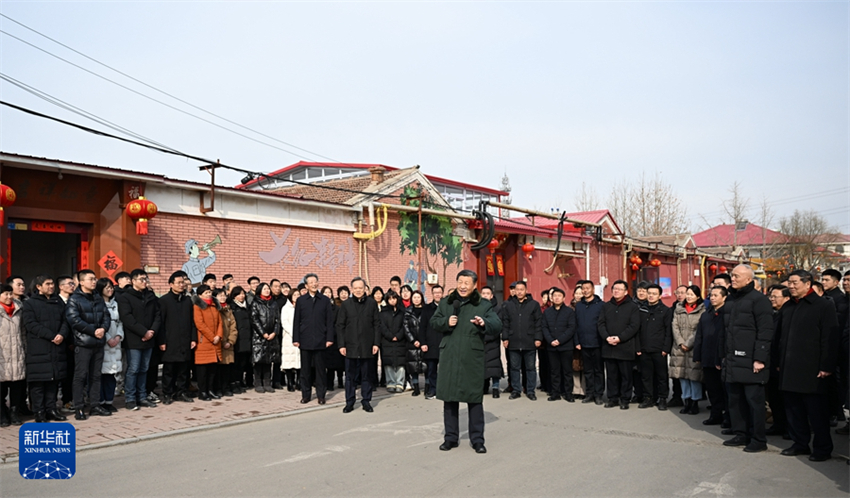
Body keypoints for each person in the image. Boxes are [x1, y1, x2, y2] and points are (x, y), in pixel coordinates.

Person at [431, 269, 502, 454]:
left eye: (466, 283)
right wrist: (446, 321)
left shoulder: (483, 305)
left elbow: (497, 325)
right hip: (450, 357)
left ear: (474, 285)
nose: (462, 286)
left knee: (474, 399)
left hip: (472, 358)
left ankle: (477, 440)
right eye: (460, 282)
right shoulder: (447, 303)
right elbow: (434, 321)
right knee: (449, 398)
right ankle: (450, 438)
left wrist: (483, 323)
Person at [778, 270, 839, 462]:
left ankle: (822, 448)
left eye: (795, 283)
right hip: (789, 367)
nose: (791, 286)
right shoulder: (787, 307)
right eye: (789, 283)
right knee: (794, 410)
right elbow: (778, 338)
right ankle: (800, 443)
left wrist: (827, 365)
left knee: (817, 413)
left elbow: (830, 338)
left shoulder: (823, 305)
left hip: (813, 369)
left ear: (808, 283)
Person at [720, 264, 774, 453]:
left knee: (754, 402)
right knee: (735, 401)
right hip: (732, 359)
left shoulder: (759, 300)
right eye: (731, 275)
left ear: (749, 279)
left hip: (751, 360)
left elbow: (766, 331)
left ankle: (758, 439)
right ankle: (741, 433)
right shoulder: (731, 300)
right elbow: (725, 331)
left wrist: (760, 358)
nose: (732, 278)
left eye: (736, 276)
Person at [21, 275, 69, 423]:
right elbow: (30, 324)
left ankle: (52, 409)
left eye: (52, 284)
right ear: (38, 287)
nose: (51, 286)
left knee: (53, 382)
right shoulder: (30, 304)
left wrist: (62, 334)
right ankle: (39, 412)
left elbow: (66, 321)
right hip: (39, 348)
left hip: (57, 348)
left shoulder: (58, 302)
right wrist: (51, 336)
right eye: (47, 284)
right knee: (38, 384)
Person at [65, 269, 111, 419]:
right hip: (83, 343)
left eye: (95, 279)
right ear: (82, 282)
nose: (94, 281)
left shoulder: (98, 297)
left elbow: (106, 316)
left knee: (96, 376)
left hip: (98, 342)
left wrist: (103, 329)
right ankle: (78, 407)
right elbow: (74, 320)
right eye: (91, 279)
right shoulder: (74, 299)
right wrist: (93, 331)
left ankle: (95, 405)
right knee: (80, 376)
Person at [117, 269, 161, 410]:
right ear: (133, 281)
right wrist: (143, 332)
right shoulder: (125, 297)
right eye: (141, 279)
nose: (144, 282)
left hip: (149, 337)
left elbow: (157, 315)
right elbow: (127, 318)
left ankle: (142, 396)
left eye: (145, 279)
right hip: (134, 338)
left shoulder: (150, 296)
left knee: (144, 369)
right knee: (133, 369)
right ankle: (130, 398)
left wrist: (152, 331)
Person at [336, 277, 382, 413]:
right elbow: (340, 326)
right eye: (355, 288)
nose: (358, 290)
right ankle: (349, 402)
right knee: (350, 376)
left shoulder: (372, 304)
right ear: (352, 289)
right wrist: (341, 345)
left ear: (365, 289)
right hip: (350, 346)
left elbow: (377, 325)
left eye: (360, 288)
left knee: (366, 375)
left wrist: (376, 343)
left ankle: (366, 401)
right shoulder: (346, 305)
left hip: (367, 346)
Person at [292, 273, 334, 405]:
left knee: (321, 370)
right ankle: (306, 395)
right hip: (305, 340)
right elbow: (296, 321)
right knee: (305, 371)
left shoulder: (325, 300)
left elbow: (329, 322)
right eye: (311, 282)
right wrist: (296, 338)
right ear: (306, 285)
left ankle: (321, 395)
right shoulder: (301, 300)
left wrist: (329, 338)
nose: (314, 284)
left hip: (321, 340)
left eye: (316, 281)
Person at [598, 280, 640, 409]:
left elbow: (634, 326)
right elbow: (601, 323)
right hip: (609, 346)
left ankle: (625, 399)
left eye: (620, 289)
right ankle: (613, 398)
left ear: (626, 292)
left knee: (626, 375)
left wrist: (620, 338)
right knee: (611, 375)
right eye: (615, 289)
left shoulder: (632, 307)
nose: (617, 291)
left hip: (625, 346)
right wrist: (607, 337)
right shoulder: (606, 306)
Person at [158, 271, 197, 404]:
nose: (182, 285)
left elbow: (192, 322)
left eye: (183, 283)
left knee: (183, 370)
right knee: (169, 370)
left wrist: (193, 338)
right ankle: (168, 393)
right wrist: (161, 341)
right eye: (179, 283)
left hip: (185, 340)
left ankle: (181, 392)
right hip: (170, 341)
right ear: (171, 284)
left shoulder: (187, 301)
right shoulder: (164, 301)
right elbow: (160, 323)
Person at [500, 281, 543, 400]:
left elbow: (538, 323)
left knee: (530, 368)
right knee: (514, 368)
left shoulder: (534, 304)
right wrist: (505, 337)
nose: (519, 292)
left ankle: (530, 390)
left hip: (529, 340)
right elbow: (505, 323)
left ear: (526, 290)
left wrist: (538, 338)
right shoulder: (508, 305)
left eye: (521, 289)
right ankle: (516, 390)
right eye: (517, 289)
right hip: (513, 340)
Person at [694, 286, 730, 426]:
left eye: (716, 295)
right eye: (711, 295)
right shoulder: (706, 314)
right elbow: (699, 336)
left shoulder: (727, 315)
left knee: (724, 390)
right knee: (712, 389)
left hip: (721, 357)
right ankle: (715, 415)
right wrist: (698, 355)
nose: (712, 298)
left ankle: (727, 416)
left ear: (724, 297)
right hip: (707, 356)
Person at [637, 284, 673, 410]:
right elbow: (637, 330)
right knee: (646, 375)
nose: (651, 296)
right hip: (644, 348)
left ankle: (662, 398)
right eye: (649, 293)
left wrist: (666, 348)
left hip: (659, 349)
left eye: (654, 294)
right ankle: (648, 398)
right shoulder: (642, 309)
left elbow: (669, 331)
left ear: (659, 295)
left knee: (661, 376)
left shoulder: (665, 310)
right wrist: (638, 347)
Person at [669, 285, 705, 414]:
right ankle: (686, 401)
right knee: (682, 376)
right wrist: (680, 342)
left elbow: (698, 330)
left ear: (697, 296)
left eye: (691, 294)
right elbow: (675, 326)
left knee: (694, 376)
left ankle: (695, 402)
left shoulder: (702, 310)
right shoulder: (679, 309)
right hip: (679, 348)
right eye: (687, 294)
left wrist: (688, 343)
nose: (688, 297)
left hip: (693, 347)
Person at [541, 287, 577, 402]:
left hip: (566, 346)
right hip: (551, 346)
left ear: (564, 298)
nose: (556, 298)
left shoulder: (569, 312)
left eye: (559, 296)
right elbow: (544, 327)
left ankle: (568, 393)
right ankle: (555, 393)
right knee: (554, 371)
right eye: (554, 296)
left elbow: (571, 328)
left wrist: (559, 340)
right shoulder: (547, 312)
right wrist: (550, 340)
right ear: (551, 298)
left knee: (567, 371)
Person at [765, 284, 791, 438]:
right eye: (771, 296)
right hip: (772, 362)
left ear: (786, 298)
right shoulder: (773, 314)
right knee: (774, 398)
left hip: (783, 364)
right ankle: (779, 424)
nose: (772, 299)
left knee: (786, 399)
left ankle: (789, 427)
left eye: (775, 296)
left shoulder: (788, 315)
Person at [0, 284, 26, 426]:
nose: (9, 297)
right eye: (5, 294)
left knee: (17, 387)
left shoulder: (19, 308)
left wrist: (25, 349)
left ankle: (14, 413)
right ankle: (2, 414)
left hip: (17, 353)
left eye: (10, 294)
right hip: (2, 355)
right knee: (2, 388)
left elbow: (23, 332)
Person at [575, 280, 605, 405]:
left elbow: (603, 324)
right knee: (587, 370)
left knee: (598, 370)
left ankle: (598, 395)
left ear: (593, 289)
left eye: (588, 288)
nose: (585, 290)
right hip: (584, 343)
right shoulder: (579, 305)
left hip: (597, 342)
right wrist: (577, 341)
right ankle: (589, 393)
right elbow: (575, 325)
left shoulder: (601, 305)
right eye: (583, 288)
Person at [192, 285, 223, 401]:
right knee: (203, 371)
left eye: (209, 292)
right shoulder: (197, 306)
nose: (208, 294)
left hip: (215, 342)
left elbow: (220, 322)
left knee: (212, 370)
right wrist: (212, 337)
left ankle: (211, 390)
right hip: (204, 342)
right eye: (205, 293)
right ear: (200, 295)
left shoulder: (215, 305)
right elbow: (200, 324)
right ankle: (203, 391)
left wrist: (219, 335)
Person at [96, 278, 121, 414]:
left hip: (115, 342)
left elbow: (120, 322)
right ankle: (100, 402)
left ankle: (109, 401)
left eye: (111, 287)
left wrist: (118, 336)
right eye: (106, 287)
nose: (110, 289)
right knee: (100, 374)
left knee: (111, 374)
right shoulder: (97, 304)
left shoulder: (115, 304)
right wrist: (107, 338)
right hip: (103, 342)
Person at [252, 283, 281, 393]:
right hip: (259, 337)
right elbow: (254, 320)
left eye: (268, 289)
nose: (267, 291)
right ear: (260, 291)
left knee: (269, 360)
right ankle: (258, 383)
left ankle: (267, 383)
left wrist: (274, 332)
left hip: (272, 336)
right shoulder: (256, 303)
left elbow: (278, 320)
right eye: (264, 289)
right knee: (259, 360)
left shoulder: (273, 303)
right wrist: (263, 333)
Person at [380, 291, 407, 393]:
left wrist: (398, 336)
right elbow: (382, 326)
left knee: (400, 363)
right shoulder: (383, 312)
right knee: (389, 363)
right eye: (390, 299)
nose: (392, 301)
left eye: (394, 298)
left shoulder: (402, 311)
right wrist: (390, 336)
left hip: (400, 341)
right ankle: (390, 382)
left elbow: (405, 325)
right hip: (387, 341)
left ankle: (400, 383)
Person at [480, 287, 504, 398]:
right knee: (482, 365)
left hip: (493, 341)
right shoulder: (476, 308)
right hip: (479, 341)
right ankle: (483, 386)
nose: (485, 295)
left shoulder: (497, 309)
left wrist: (487, 335)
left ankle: (495, 387)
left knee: (494, 365)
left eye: (487, 293)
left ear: (491, 296)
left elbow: (498, 325)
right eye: (483, 293)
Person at [420, 285, 444, 400]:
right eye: (435, 293)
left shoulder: (446, 308)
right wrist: (423, 343)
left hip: (445, 343)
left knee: (445, 369)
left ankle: (444, 390)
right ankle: (433, 390)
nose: (438, 294)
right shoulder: (427, 308)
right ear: (432, 294)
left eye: (439, 292)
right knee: (431, 370)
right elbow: (422, 327)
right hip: (430, 344)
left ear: (442, 293)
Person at [228, 286, 253, 394]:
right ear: (234, 296)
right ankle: (234, 383)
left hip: (247, 338)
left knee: (243, 363)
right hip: (237, 339)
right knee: (236, 363)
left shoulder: (248, 306)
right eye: (239, 294)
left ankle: (240, 382)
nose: (242, 296)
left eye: (243, 294)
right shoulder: (232, 307)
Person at [215, 288, 239, 397]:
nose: (223, 297)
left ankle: (226, 387)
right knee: (218, 369)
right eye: (220, 296)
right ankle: (218, 388)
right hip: (218, 343)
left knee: (227, 368)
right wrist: (223, 341)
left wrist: (230, 341)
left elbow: (233, 327)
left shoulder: (229, 310)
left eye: (224, 295)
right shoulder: (215, 310)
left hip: (229, 344)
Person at [403, 290, 427, 396]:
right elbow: (406, 327)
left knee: (426, 366)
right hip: (412, 343)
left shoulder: (426, 310)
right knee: (413, 367)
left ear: (421, 298)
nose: (416, 299)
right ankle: (416, 388)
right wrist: (413, 340)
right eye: (414, 297)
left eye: (418, 297)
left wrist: (423, 341)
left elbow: (429, 327)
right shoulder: (408, 311)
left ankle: (427, 387)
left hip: (425, 343)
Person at [323, 286, 345, 392]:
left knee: (336, 363)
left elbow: (339, 324)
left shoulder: (336, 308)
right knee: (326, 364)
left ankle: (337, 382)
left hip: (335, 338)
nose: (327, 294)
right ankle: (327, 383)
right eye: (325, 292)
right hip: (323, 338)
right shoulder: (319, 307)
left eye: (329, 292)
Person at [280, 293, 300, 392]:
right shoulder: (286, 308)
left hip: (301, 337)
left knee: (299, 361)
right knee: (289, 361)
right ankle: (290, 382)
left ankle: (299, 382)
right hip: (289, 337)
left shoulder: (302, 306)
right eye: (295, 294)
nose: (297, 296)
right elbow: (284, 322)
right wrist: (294, 333)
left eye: (298, 294)